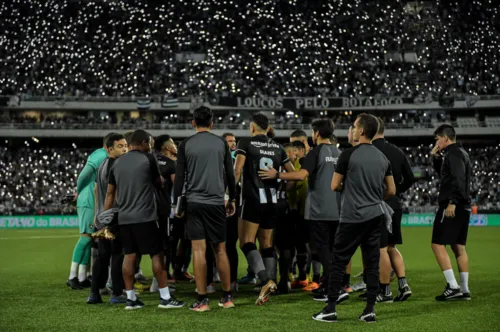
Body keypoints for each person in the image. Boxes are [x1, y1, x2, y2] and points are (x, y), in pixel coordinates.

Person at [312, 114, 396, 323]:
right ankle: (369, 310)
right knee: (371, 262)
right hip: (375, 215)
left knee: (339, 261)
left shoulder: (348, 155)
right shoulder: (382, 157)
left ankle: (330, 308)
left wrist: (350, 188)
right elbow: (392, 190)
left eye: (354, 126)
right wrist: (374, 197)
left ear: (361, 131)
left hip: (352, 216)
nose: (352, 129)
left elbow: (334, 185)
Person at [260, 118, 347, 303]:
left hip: (319, 210)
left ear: (316, 133)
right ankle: (332, 285)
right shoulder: (339, 153)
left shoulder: (316, 152)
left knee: (322, 250)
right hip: (337, 209)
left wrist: (278, 174)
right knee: (331, 250)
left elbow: (301, 175)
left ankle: (335, 288)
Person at [104, 129, 184, 310]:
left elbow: (110, 194)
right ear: (142, 143)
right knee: (157, 254)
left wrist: (106, 220)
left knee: (129, 255)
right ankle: (165, 297)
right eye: (149, 142)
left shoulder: (115, 163)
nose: (151, 146)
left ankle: (131, 299)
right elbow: (159, 183)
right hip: (147, 216)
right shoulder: (149, 159)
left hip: (124, 218)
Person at [173, 106, 236, 312]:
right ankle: (227, 298)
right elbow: (229, 173)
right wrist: (232, 198)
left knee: (199, 250)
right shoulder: (220, 143)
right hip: (217, 202)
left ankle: (202, 300)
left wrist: (177, 203)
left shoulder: (186, 144)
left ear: (193, 123)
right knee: (220, 250)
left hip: (195, 202)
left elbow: (180, 177)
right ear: (211, 123)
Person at [234, 113, 295, 305]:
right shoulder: (278, 147)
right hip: (272, 201)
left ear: (252, 128)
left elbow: (237, 170)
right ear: (268, 128)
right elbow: (292, 175)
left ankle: (264, 280)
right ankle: (272, 284)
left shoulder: (245, 143)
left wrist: (229, 193)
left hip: (252, 199)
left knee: (246, 242)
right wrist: (280, 184)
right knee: (267, 244)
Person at [372, 117, 415, 302]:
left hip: (377, 204)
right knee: (391, 247)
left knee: (380, 249)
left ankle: (385, 291)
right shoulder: (397, 151)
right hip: (395, 204)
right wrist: (396, 191)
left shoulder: (369, 151)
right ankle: (403, 284)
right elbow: (411, 178)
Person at [430, 124, 472, 301]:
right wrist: (435, 157)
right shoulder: (461, 153)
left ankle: (453, 286)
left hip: (452, 205)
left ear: (445, 138)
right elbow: (446, 176)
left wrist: (452, 202)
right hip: (464, 206)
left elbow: (457, 178)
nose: (437, 142)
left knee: (437, 244)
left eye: (438, 139)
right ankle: (464, 289)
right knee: (458, 247)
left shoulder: (453, 154)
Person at [87, 133, 128, 304]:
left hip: (101, 217)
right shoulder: (118, 166)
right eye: (120, 146)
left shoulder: (102, 165)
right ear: (110, 149)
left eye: (126, 145)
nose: (125, 149)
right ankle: (117, 293)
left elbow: (97, 191)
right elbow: (116, 193)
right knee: (118, 254)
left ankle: (94, 293)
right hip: (114, 215)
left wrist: (99, 216)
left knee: (102, 257)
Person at [67, 134, 109, 290]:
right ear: (109, 146)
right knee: (85, 238)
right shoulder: (101, 155)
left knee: (90, 239)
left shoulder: (102, 155)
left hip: (92, 199)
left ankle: (83, 277)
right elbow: (84, 174)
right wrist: (78, 191)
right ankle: (72, 277)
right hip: (88, 199)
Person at [222, 132, 240, 291]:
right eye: (229, 141)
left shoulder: (239, 159)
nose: (233, 144)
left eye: (234, 141)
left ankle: (232, 280)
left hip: (233, 207)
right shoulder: (220, 160)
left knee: (230, 244)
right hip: (219, 205)